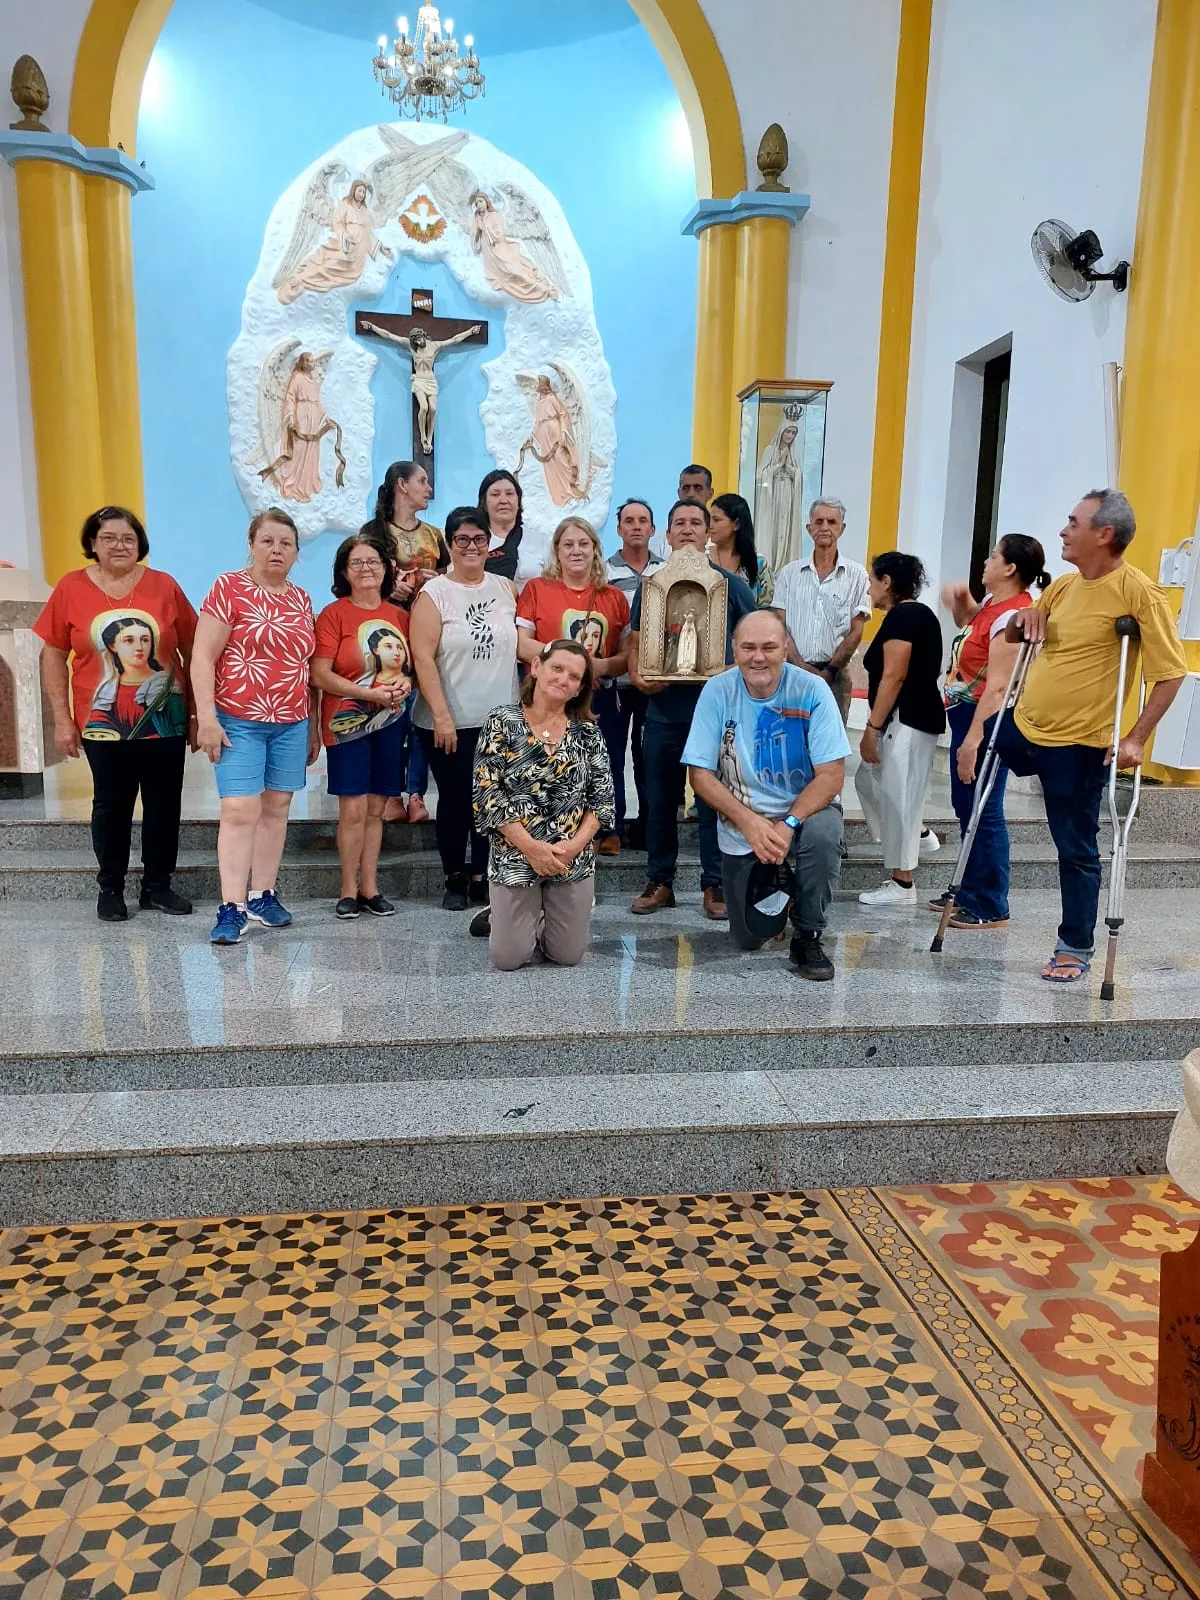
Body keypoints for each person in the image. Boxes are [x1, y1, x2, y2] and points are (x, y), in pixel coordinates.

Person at [1001, 489, 1187, 983]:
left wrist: (1135, 739)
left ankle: (1074, 946)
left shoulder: (1138, 592)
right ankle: (979, 897)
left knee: (1075, 846)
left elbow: (1171, 674)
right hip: (1024, 726)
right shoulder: (1063, 587)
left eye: (1073, 522)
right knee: (972, 780)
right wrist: (1024, 617)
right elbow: (1016, 635)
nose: (1062, 531)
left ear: (1104, 534)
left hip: (1079, 743)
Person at [34, 505, 197, 922]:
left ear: (140, 543)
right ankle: (110, 888)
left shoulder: (164, 585)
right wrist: (62, 719)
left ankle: (157, 886)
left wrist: (197, 714)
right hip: (101, 724)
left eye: (128, 538)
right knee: (111, 804)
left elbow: (193, 649)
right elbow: (53, 654)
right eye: (108, 538)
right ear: (93, 543)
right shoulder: (71, 587)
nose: (119, 545)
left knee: (164, 803)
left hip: (165, 720)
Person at [684, 610, 850, 979]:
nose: (758, 657)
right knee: (749, 937)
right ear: (734, 650)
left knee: (824, 835)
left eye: (769, 647)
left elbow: (831, 775)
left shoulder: (812, 690)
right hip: (744, 819)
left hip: (803, 812)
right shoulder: (717, 690)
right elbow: (700, 775)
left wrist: (788, 823)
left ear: (786, 648)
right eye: (748, 648)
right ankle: (781, 888)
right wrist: (749, 822)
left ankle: (808, 933)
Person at [192, 508, 317, 945]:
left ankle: (263, 894)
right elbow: (203, 656)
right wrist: (206, 717)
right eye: (267, 541)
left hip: (291, 720)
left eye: (286, 543)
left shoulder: (301, 599)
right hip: (237, 719)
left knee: (277, 807)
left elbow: (307, 668)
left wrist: (313, 726)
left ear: (297, 552)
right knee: (240, 809)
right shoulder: (229, 587)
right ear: (251, 545)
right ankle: (231, 905)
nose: (276, 550)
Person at [627, 499, 757, 919]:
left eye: (696, 522)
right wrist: (640, 675)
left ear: (708, 532)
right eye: (679, 523)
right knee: (659, 801)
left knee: (713, 802)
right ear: (667, 535)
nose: (687, 529)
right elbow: (635, 643)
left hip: (715, 715)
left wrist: (724, 672)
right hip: (663, 713)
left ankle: (715, 884)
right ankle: (659, 881)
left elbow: (756, 642)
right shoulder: (652, 585)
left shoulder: (729, 586)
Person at [473, 639, 615, 969]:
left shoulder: (588, 733)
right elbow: (487, 795)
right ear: (536, 667)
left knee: (568, 956)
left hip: (570, 857)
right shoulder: (501, 721)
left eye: (574, 676)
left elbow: (603, 800)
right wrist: (532, 849)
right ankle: (501, 915)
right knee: (508, 959)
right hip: (515, 853)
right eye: (557, 668)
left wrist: (572, 847)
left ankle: (536, 917)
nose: (564, 679)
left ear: (580, 688)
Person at [410, 505, 519, 910]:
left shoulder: (506, 588)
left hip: (499, 718)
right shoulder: (433, 594)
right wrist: (442, 715)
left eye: (479, 539)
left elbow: (521, 644)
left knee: (491, 800)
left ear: (489, 543)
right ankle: (454, 876)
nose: (471, 546)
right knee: (456, 800)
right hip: (448, 720)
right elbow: (423, 659)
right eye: (462, 539)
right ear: (450, 544)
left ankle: (483, 875)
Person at [937, 535, 1049, 929]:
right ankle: (968, 889)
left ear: (1010, 568)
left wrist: (974, 740)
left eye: (994, 556)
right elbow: (970, 626)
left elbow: (999, 686)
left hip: (985, 719)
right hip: (965, 712)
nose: (986, 561)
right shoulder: (992, 605)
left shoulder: (1013, 617)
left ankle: (989, 903)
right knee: (966, 804)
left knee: (983, 808)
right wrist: (962, 602)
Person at [312, 538, 413, 919]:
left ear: (386, 568)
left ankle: (370, 887)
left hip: (391, 722)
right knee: (352, 809)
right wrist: (366, 693)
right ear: (344, 571)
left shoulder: (400, 616)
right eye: (357, 562)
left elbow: (412, 669)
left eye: (373, 561)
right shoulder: (333, 615)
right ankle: (347, 889)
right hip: (347, 724)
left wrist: (406, 682)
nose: (366, 568)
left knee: (376, 808)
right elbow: (320, 674)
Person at [516, 517, 630, 855]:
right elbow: (522, 644)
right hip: (549, 697)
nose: (576, 551)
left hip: (600, 695)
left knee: (605, 761)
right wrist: (569, 664)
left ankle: (608, 828)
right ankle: (552, 829)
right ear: (557, 550)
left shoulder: (614, 597)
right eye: (568, 544)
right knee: (549, 761)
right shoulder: (536, 589)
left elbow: (626, 655)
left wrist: (600, 666)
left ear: (595, 549)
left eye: (584, 544)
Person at [855, 552, 946, 907]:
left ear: (887, 582)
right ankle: (918, 835)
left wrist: (872, 727)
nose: (869, 589)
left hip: (907, 718)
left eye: (872, 580)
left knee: (900, 796)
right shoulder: (910, 616)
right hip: (908, 718)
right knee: (869, 781)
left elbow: (894, 675)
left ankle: (902, 883)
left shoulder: (905, 616)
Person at [360, 460, 445, 824]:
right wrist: (387, 586)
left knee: (422, 712)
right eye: (422, 481)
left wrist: (434, 579)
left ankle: (416, 793)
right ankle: (391, 792)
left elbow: (450, 577)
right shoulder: (373, 532)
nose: (428, 488)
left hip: (427, 630)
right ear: (402, 485)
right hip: (388, 632)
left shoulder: (435, 535)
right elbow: (358, 573)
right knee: (392, 712)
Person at [772, 498, 870, 725]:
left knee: (830, 738)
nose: (825, 527)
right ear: (809, 528)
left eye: (831, 522)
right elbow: (779, 624)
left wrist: (829, 670)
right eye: (819, 522)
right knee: (788, 735)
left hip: (836, 677)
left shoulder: (857, 575)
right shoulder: (789, 574)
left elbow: (856, 631)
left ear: (841, 528)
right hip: (792, 673)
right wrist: (799, 665)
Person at [605, 498, 665, 850]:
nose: (637, 526)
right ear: (619, 529)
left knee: (649, 756)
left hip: (655, 681)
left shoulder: (666, 570)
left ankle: (648, 826)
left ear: (653, 529)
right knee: (611, 755)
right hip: (615, 681)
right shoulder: (604, 572)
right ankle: (611, 828)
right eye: (629, 521)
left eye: (643, 520)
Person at [478, 468, 543, 585]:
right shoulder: (473, 542)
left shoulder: (539, 541)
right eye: (495, 494)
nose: (503, 500)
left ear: (518, 502)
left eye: (509, 494)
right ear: (484, 504)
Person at [708, 492, 774, 605]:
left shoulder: (759, 564)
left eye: (716, 520)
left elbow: (767, 610)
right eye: (709, 519)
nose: (710, 525)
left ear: (736, 524)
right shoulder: (703, 559)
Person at [757, 418, 806, 569]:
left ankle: (784, 563)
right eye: (788, 432)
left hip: (788, 495)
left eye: (793, 433)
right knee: (774, 527)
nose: (790, 436)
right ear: (781, 432)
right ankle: (770, 564)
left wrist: (790, 469)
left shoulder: (794, 453)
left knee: (785, 527)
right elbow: (761, 475)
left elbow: (798, 475)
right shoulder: (770, 450)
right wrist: (778, 466)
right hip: (773, 495)